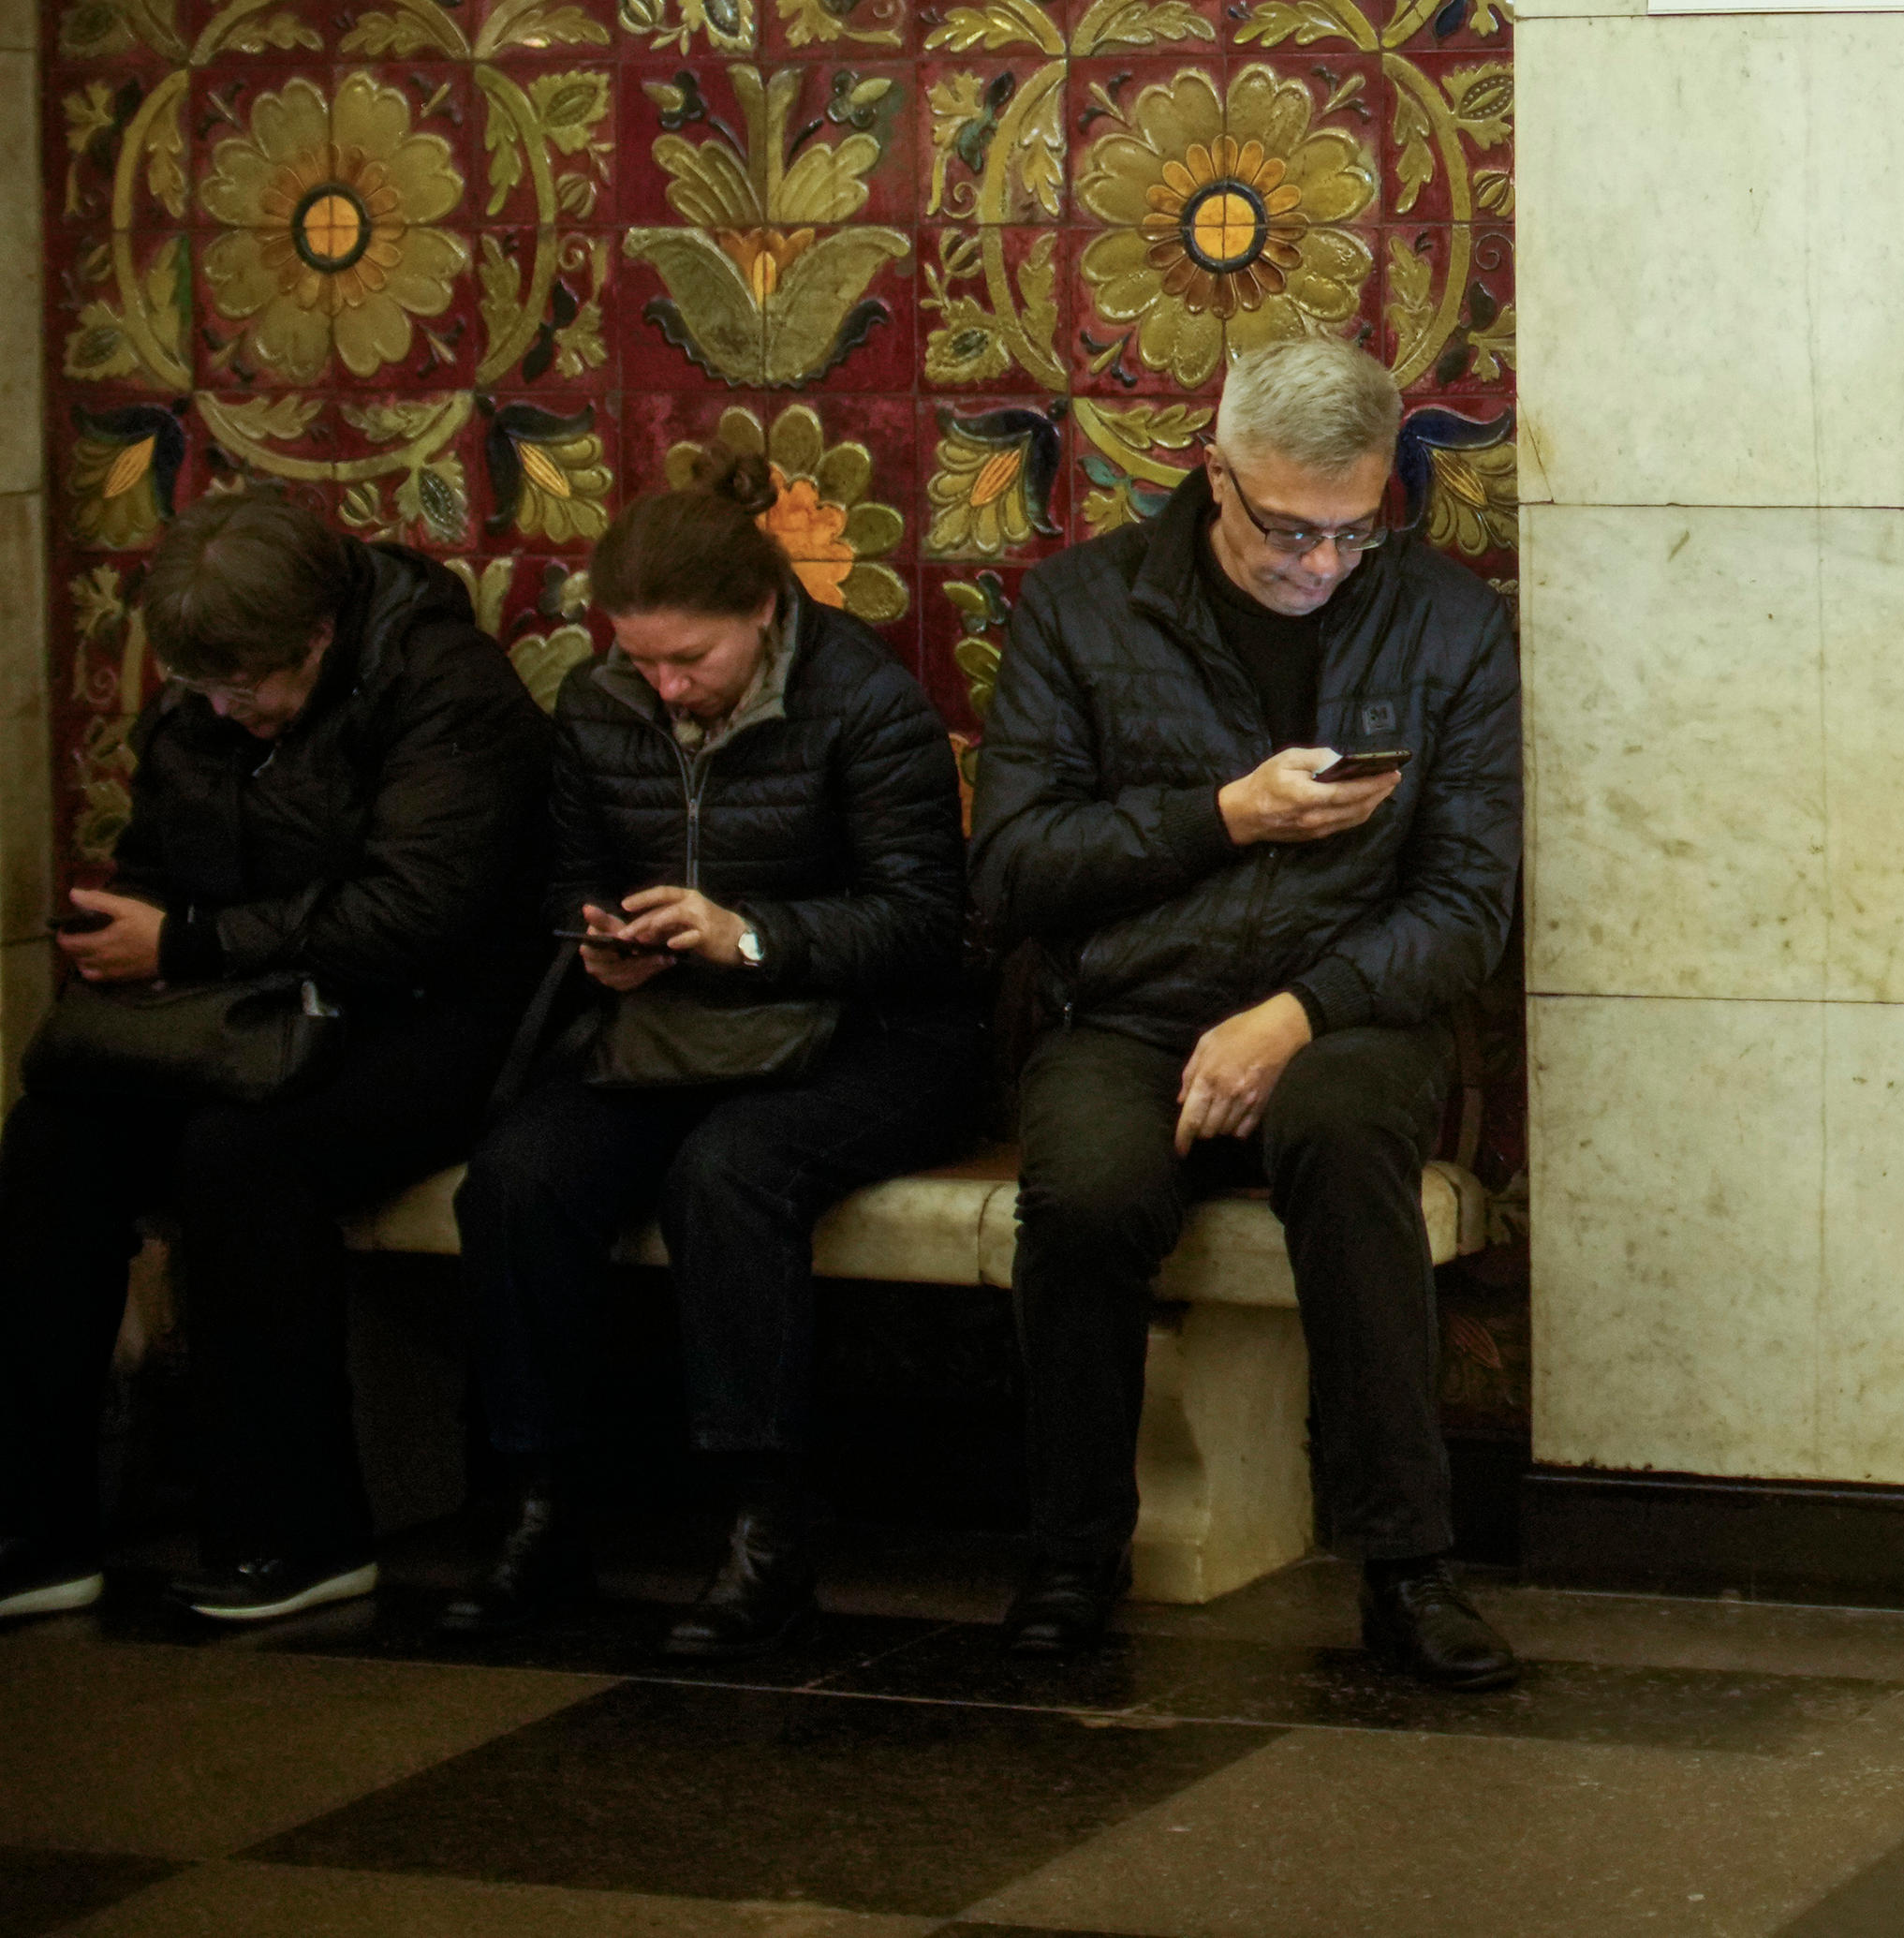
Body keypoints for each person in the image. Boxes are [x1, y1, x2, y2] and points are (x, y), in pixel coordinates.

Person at [973, 336, 1520, 1690]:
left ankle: (1406, 1569)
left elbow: (1466, 902)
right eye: (1286, 527)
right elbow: (1013, 870)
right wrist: (1223, 815)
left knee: (1344, 1151)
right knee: (1090, 1196)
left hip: (1344, 1016)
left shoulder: (1448, 623)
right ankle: (1070, 1553)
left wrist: (1295, 1012)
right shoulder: (1083, 607)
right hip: (1129, 1006)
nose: (1318, 564)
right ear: (1212, 473)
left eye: (1351, 532)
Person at [437, 458, 991, 1657]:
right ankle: (542, 1508)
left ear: (762, 613)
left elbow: (921, 924)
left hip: (872, 1033)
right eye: (644, 662)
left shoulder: (864, 704)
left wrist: (749, 934)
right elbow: (569, 878)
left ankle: (764, 1533)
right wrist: (605, 942)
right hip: (675, 1025)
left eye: (692, 661)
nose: (667, 686)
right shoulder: (600, 706)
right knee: (520, 1178)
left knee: (730, 1176)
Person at [0, 491, 548, 1625]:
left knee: (243, 1153)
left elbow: (417, 914)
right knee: (56, 1135)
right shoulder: (213, 696)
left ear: (317, 634)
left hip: (426, 1023)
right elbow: (166, 849)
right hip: (248, 1010)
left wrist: (194, 941)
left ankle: (294, 1530)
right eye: (207, 689)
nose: (227, 710)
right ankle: (36, 1525)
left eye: (248, 687)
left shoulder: (447, 691)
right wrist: (131, 922)